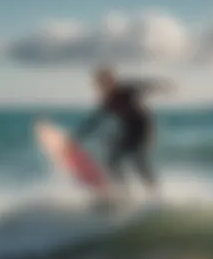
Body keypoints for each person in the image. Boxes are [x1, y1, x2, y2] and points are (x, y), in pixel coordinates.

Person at [72, 66, 176, 203]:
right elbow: (95, 120)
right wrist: (78, 136)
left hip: (142, 128)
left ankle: (155, 193)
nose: (100, 86)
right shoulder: (108, 102)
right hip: (128, 130)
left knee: (138, 159)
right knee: (113, 160)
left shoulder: (125, 90)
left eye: (103, 82)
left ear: (111, 81)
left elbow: (145, 86)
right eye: (99, 84)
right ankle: (124, 193)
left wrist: (163, 86)